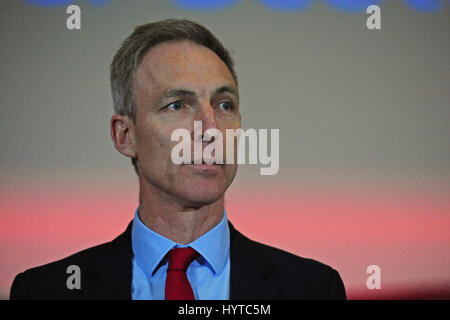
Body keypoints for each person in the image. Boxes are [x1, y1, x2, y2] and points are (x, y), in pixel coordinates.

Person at [10, 19, 346, 300]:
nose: (211, 128)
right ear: (125, 136)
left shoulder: (314, 289)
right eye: (177, 105)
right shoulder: (45, 291)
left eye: (224, 104)